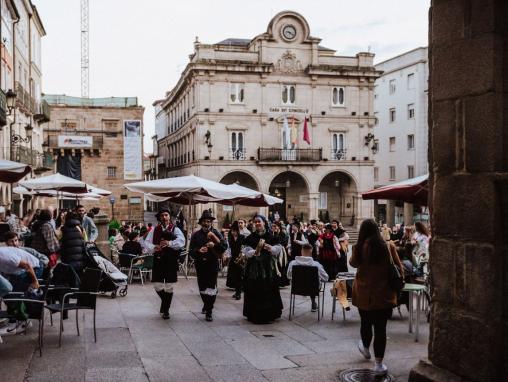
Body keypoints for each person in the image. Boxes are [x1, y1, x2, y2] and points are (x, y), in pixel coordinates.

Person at [349, 219, 404, 377]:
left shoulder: (358, 247)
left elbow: (352, 264)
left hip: (363, 294)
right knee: (381, 329)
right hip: (384, 295)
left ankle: (366, 348)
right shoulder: (387, 246)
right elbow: (399, 268)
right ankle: (378, 364)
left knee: (365, 322)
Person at [143, 208, 185, 319]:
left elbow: (182, 242)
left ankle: (166, 310)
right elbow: (146, 242)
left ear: (169, 216)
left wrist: (169, 243)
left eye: (166, 215)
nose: (164, 217)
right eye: (162, 215)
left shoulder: (175, 229)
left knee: (169, 286)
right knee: (157, 285)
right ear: (159, 218)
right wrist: (154, 247)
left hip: (171, 260)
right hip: (158, 260)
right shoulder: (154, 230)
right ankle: (165, 304)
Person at [241, 215, 283, 324]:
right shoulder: (251, 237)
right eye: (256, 222)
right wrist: (252, 252)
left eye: (259, 221)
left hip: (268, 268)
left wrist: (271, 248)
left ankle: (270, 314)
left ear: (264, 223)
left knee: (268, 289)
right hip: (254, 268)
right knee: (255, 289)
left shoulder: (271, 236)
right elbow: (245, 249)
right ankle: (254, 314)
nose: (257, 223)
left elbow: (278, 248)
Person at [189, 210, 227, 322]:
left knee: (212, 287)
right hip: (200, 264)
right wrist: (198, 250)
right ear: (201, 223)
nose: (207, 223)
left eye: (209, 221)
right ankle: (206, 303)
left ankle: (209, 310)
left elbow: (224, 246)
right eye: (205, 221)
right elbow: (191, 250)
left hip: (212, 263)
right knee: (202, 287)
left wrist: (214, 244)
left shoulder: (216, 233)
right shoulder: (196, 234)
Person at [287, 243, 328, 312]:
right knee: (313, 282)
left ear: (301, 251)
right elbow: (326, 278)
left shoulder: (292, 263)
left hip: (297, 288)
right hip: (313, 288)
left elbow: (288, 276)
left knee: (308, 282)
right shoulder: (316, 265)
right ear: (311, 252)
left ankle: (313, 303)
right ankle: (314, 303)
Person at [60, 211, 87, 278]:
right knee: (79, 279)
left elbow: (58, 241)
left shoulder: (63, 229)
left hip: (67, 260)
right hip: (80, 260)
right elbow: (85, 241)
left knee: (70, 280)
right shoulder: (81, 228)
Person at [225, 221, 244, 300]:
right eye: (232, 231)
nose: (234, 233)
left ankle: (238, 293)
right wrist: (227, 256)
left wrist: (242, 255)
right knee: (234, 276)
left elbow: (244, 247)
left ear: (238, 231)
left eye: (235, 231)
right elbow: (228, 248)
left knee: (239, 276)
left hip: (240, 258)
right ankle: (236, 291)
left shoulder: (242, 237)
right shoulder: (230, 238)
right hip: (233, 258)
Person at [271, 221, 289, 287]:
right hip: (273, 250)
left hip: (281, 251)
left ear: (278, 227)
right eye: (272, 226)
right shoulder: (272, 233)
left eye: (275, 226)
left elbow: (283, 242)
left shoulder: (282, 234)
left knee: (280, 265)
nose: (273, 228)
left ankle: (281, 282)